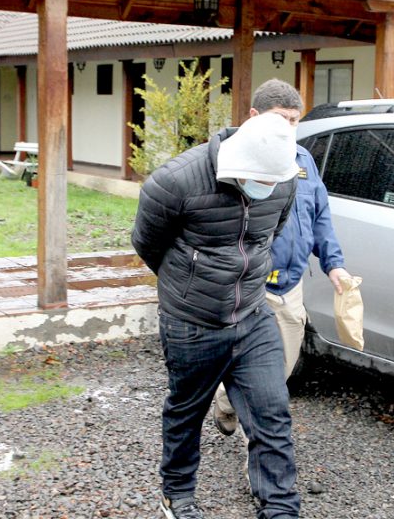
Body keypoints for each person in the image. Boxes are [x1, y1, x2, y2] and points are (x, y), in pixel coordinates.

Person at [131, 109, 302, 519]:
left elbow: (267, 236)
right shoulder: (174, 182)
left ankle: (280, 508)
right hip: (192, 323)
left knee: (271, 413)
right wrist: (191, 287)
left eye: (271, 182)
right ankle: (177, 495)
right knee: (186, 411)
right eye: (258, 180)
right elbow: (147, 245)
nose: (266, 187)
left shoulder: (283, 181)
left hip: (253, 316)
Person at [212, 79, 350, 438]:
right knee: (265, 388)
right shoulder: (233, 160)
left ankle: (227, 399)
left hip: (290, 287)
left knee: (282, 370)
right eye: (280, 119)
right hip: (251, 287)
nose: (288, 128)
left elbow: (319, 214)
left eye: (294, 120)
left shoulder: (304, 160)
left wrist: (333, 263)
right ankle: (262, 469)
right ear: (254, 117)